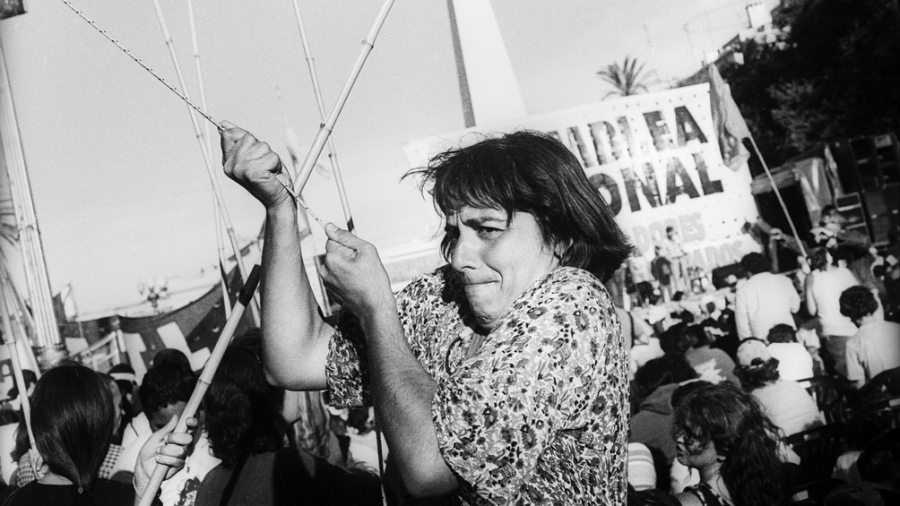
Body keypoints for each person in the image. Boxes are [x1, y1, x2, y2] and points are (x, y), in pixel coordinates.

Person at [221, 125, 633, 505]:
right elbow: (293, 359)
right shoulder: (446, 297)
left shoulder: (573, 305)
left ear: (558, 235)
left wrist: (376, 309)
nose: (459, 256)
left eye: (487, 229)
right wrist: (279, 209)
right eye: (455, 233)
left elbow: (430, 467)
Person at [195, 333, 381, 506]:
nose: (292, 381)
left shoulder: (208, 486)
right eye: (283, 373)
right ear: (267, 392)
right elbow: (378, 495)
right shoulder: (290, 466)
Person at [0, 363, 195, 506]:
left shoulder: (14, 502)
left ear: (39, 428)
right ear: (102, 430)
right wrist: (145, 490)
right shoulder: (123, 497)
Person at [672, 382, 788, 506]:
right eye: (681, 430)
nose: (679, 439)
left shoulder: (689, 503)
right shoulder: (767, 486)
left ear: (724, 448)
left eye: (691, 435)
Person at [733, 339, 824, 437]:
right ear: (772, 365)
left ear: (742, 373)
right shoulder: (793, 385)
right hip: (823, 443)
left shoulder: (754, 399)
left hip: (790, 448)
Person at [805, 247, 860, 377]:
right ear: (829, 257)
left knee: (850, 376)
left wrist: (808, 288)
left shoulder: (811, 278)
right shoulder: (844, 272)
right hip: (854, 328)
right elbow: (860, 295)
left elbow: (812, 311)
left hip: (832, 332)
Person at [840, 286, 900, 389]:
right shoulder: (896, 328)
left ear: (850, 314)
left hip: (884, 398)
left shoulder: (853, 343)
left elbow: (860, 385)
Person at [734, 252, 800, 340]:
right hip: (789, 336)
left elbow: (742, 327)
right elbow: (795, 307)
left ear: (748, 271)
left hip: (763, 342)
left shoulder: (742, 290)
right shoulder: (784, 280)